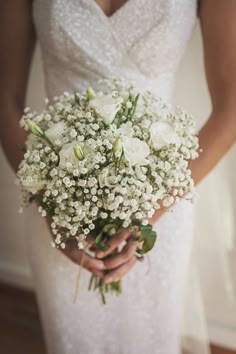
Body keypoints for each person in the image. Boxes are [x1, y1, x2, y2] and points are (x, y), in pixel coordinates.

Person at [0, 1, 235, 353]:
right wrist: (54, 206)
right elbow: (4, 97)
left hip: (162, 207)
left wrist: (147, 215)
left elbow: (231, 109)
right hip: (58, 202)